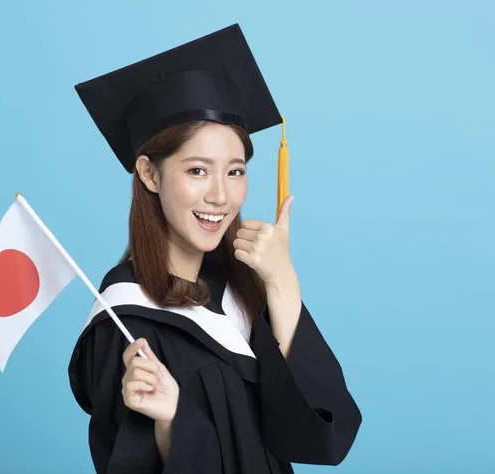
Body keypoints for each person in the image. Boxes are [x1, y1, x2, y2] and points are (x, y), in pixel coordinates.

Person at [68, 24, 362, 473]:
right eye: (198, 171)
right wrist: (172, 423)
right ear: (149, 174)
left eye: (236, 171)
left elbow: (323, 440)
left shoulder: (247, 286)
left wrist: (284, 285)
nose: (221, 197)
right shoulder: (123, 323)